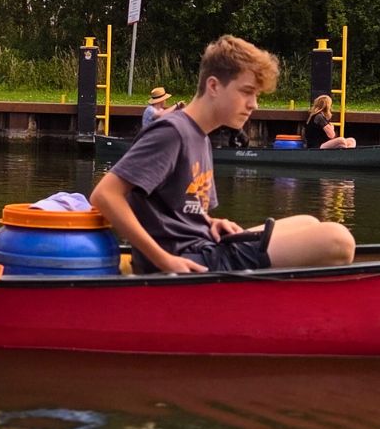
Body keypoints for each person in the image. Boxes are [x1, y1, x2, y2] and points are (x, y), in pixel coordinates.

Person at [92, 35, 355, 274]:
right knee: (338, 240)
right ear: (214, 86)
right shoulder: (171, 132)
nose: (254, 104)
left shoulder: (200, 137)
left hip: (203, 243)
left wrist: (209, 222)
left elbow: (180, 207)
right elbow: (105, 195)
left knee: (307, 221)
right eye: (246, 92)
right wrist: (163, 260)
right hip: (187, 258)